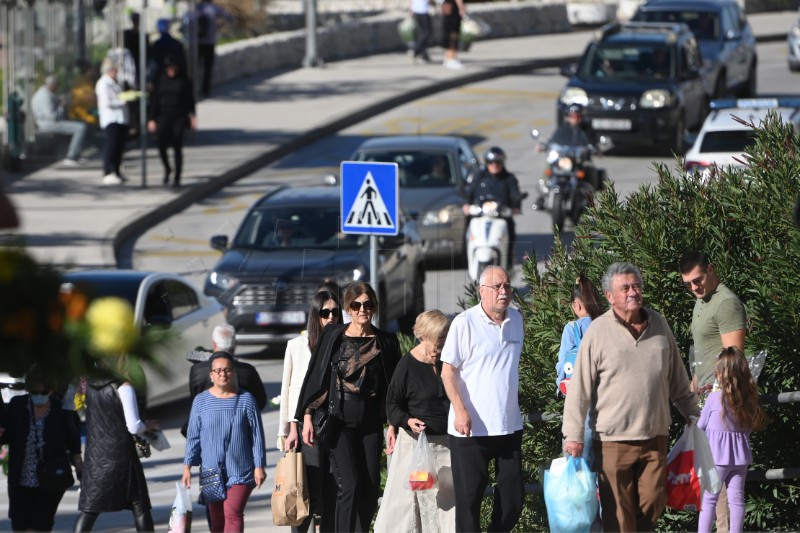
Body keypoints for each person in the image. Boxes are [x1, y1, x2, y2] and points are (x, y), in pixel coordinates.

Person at [563, 261, 701, 532]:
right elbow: (579, 389)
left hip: (654, 437)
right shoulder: (598, 332)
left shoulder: (658, 324)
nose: (632, 292)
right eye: (624, 288)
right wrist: (573, 434)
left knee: (654, 501)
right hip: (613, 441)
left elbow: (677, 378)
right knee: (619, 516)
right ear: (609, 297)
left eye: (636, 286)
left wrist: (692, 412)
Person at [295, 281, 402, 532]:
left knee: (370, 486)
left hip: (371, 423)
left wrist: (392, 424)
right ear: (348, 308)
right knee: (350, 485)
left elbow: (394, 388)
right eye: (356, 305)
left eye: (367, 304)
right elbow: (316, 378)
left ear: (374, 307)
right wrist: (307, 416)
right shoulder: (333, 336)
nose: (362, 309)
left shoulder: (386, 341)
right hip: (339, 421)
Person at [441, 266, 525, 532]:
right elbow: (447, 372)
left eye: (507, 286)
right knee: (469, 503)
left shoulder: (517, 318)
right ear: (482, 291)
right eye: (497, 287)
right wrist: (460, 410)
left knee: (514, 499)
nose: (504, 292)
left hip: (508, 425)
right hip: (470, 431)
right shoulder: (464, 323)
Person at [679, 249, 746, 533]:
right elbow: (705, 355)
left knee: (720, 495)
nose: (694, 287)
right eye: (688, 284)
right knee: (714, 493)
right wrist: (691, 392)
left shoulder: (725, 303)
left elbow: (735, 360)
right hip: (705, 401)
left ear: (711, 269)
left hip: (721, 406)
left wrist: (715, 400)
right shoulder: (702, 301)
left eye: (698, 279)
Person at [374, 309, 454, 533]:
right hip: (416, 451)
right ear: (424, 336)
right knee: (411, 507)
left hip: (446, 447)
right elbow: (392, 405)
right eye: (439, 338)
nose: (442, 343)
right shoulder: (406, 366)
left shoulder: (446, 360)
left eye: (445, 337)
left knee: (447, 509)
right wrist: (408, 421)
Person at [279, 289, 343, 533]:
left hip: (336, 424)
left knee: (332, 490)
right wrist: (290, 428)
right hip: (305, 428)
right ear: (315, 315)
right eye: (324, 312)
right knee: (303, 490)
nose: (330, 317)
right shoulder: (297, 346)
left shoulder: (344, 344)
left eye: (335, 313)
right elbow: (288, 390)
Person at [182, 352, 267, 533]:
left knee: (232, 513)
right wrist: (187, 466)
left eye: (227, 369)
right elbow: (193, 437)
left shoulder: (246, 400)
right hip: (211, 471)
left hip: (241, 471)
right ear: (211, 375)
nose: (223, 374)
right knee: (217, 519)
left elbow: (257, 436)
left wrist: (259, 466)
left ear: (233, 372)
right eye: (218, 370)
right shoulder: (201, 401)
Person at [74, 355, 158, 531]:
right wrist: (148, 425)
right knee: (140, 508)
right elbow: (134, 426)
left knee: (89, 510)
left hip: (96, 456)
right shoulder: (124, 386)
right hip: (122, 456)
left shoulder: (90, 385)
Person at [0, 369, 82, 531]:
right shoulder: (17, 405)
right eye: (34, 392)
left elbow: (73, 441)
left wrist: (80, 466)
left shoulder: (62, 410)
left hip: (50, 479)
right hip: (21, 479)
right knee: (20, 525)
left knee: (41, 525)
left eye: (43, 392)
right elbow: (7, 435)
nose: (38, 395)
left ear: (51, 390)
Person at [697, 347, 769, 533]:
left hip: (716, 459)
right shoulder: (748, 399)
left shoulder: (714, 399)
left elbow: (700, 425)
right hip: (740, 458)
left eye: (717, 372)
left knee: (709, 499)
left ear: (721, 375)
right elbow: (749, 429)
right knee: (736, 500)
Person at [182, 324, 267, 437]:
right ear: (234, 345)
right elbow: (260, 401)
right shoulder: (248, 370)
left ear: (214, 344)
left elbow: (195, 401)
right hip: (239, 431)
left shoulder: (197, 370)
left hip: (206, 431)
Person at [462, 146, 523, 269]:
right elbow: (470, 191)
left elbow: (515, 195)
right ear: (486, 162)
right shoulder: (479, 176)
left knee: (510, 233)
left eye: (497, 162)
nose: (494, 165)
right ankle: (469, 262)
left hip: (501, 217)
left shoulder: (509, 179)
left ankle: (508, 264)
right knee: (467, 232)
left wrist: (515, 207)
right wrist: (467, 206)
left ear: (502, 162)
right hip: (480, 216)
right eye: (490, 162)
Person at [147, 54, 197, 188]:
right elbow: (154, 101)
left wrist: (192, 117)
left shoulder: (184, 81)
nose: (171, 71)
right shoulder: (160, 80)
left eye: (173, 68)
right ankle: (168, 168)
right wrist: (151, 118)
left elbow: (190, 100)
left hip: (179, 116)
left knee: (177, 145)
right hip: (163, 116)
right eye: (168, 69)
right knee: (161, 145)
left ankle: (177, 176)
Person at [31, 74, 88, 167]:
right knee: (80, 128)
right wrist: (62, 105)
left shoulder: (46, 93)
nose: (58, 87)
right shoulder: (44, 96)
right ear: (52, 84)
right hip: (48, 124)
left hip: (49, 122)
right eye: (57, 85)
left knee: (79, 124)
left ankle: (76, 155)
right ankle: (71, 156)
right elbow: (52, 116)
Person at [95, 57, 130, 185]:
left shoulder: (115, 83)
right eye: (115, 70)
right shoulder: (103, 83)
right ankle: (108, 171)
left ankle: (116, 170)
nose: (116, 72)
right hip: (111, 119)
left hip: (120, 118)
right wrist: (122, 101)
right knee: (111, 146)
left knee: (119, 147)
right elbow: (107, 102)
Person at [191, 0, 234, 98]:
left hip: (196, 43)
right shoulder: (214, 8)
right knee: (207, 69)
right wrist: (218, 27)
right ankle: (205, 90)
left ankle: (192, 90)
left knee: (193, 68)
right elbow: (230, 18)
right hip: (209, 43)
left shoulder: (195, 8)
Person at [149, 18, 187, 85]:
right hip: (176, 76)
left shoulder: (157, 44)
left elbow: (154, 63)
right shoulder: (177, 43)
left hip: (161, 76)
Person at [440, 0, 466, 69]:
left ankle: (448, 58)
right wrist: (462, 8)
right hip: (453, 8)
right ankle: (451, 58)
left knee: (449, 33)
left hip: (448, 6)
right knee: (453, 35)